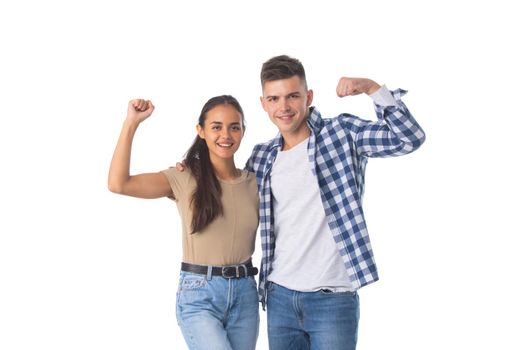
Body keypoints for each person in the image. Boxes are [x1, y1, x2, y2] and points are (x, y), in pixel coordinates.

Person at [244, 55, 426, 350]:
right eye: (274, 98)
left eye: (293, 96)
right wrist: (191, 168)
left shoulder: (342, 134)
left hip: (333, 300)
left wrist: (371, 88)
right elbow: (232, 199)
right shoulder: (262, 155)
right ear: (264, 103)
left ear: (308, 97)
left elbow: (409, 138)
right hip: (280, 298)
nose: (284, 107)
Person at [108, 95, 260, 350]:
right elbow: (118, 183)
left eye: (234, 126)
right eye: (216, 126)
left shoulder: (254, 183)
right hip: (200, 293)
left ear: (243, 131)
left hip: (245, 293)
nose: (226, 134)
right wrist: (131, 123)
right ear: (200, 130)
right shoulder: (184, 177)